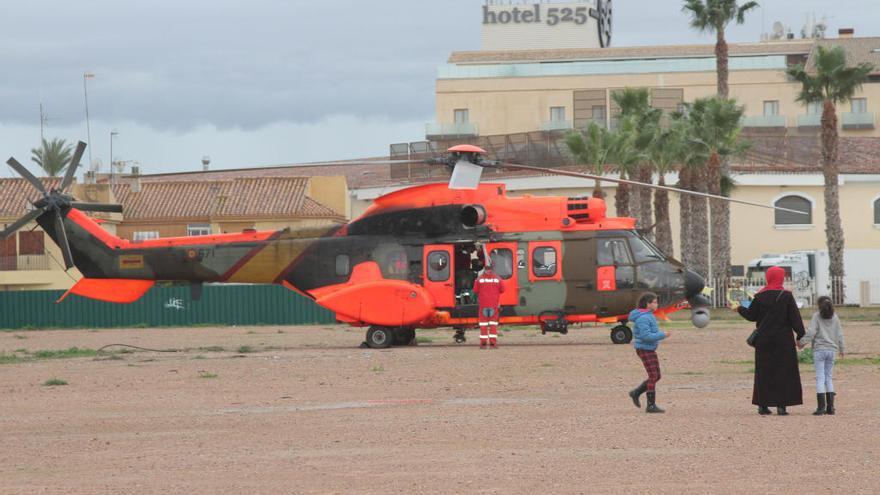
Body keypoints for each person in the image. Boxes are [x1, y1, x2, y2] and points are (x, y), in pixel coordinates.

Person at [735, 266, 805, 416]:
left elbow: (751, 316)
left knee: (764, 372)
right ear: (781, 278)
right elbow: (795, 319)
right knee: (784, 371)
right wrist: (800, 335)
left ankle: (763, 405)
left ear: (768, 277)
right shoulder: (786, 296)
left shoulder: (760, 296)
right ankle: (782, 406)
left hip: (764, 341)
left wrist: (739, 309)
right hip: (783, 341)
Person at [798, 296, 845, 415]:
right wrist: (842, 349)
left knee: (820, 378)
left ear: (819, 305)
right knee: (828, 377)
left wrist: (802, 343)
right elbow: (840, 334)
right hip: (832, 350)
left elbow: (811, 332)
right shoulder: (835, 317)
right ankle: (831, 408)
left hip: (819, 350)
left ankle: (821, 408)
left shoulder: (816, 316)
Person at [628, 292, 669, 413]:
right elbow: (646, 336)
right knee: (653, 376)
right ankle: (650, 405)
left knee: (657, 375)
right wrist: (662, 335)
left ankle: (636, 393)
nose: (657, 304)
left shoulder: (649, 315)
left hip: (649, 348)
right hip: (644, 348)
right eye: (655, 302)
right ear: (647, 304)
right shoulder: (643, 318)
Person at [472, 262, 505, 349]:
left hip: (483, 305)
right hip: (494, 305)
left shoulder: (479, 279)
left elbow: (475, 290)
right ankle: (493, 344)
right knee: (493, 324)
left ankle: (483, 344)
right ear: (492, 270)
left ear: (484, 270)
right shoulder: (498, 279)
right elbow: (503, 290)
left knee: (483, 325)